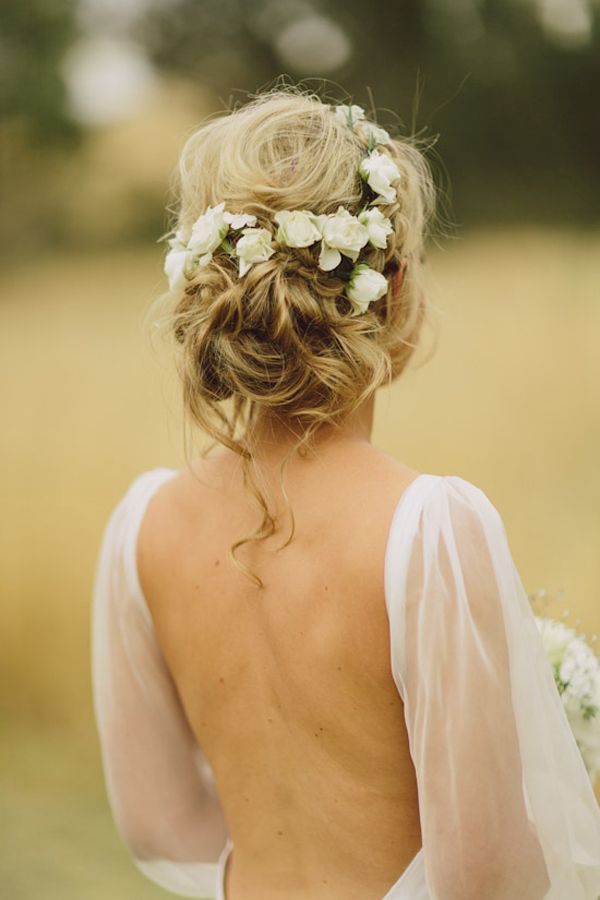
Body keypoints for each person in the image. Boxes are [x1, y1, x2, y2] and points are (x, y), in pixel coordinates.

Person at [90, 87, 600, 900]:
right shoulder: (430, 529)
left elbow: (157, 825)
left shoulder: (140, 528)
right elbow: (487, 878)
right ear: (391, 286)